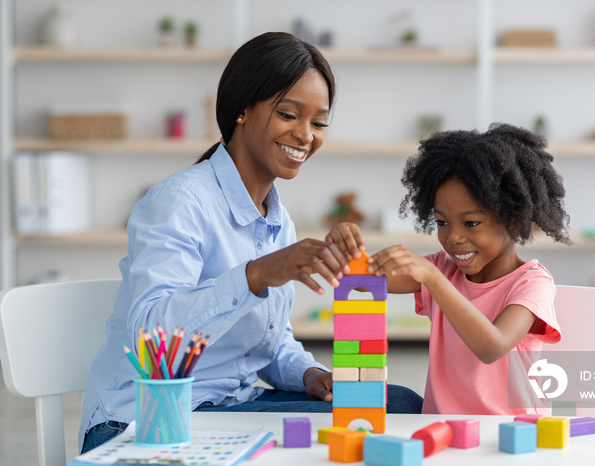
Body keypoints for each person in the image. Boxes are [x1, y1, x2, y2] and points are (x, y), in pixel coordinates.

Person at [80, 32, 422, 453]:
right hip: (147, 419)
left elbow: (268, 343)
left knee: (397, 402)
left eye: (318, 123)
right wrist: (257, 274)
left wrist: (310, 374)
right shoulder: (180, 201)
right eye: (288, 114)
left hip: (230, 405)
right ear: (242, 109)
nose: (305, 135)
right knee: (393, 417)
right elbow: (151, 334)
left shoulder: (279, 222)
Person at [327, 123, 571, 415]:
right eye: (442, 222)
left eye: (471, 223)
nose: (453, 237)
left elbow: (492, 347)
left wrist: (432, 278)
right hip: (442, 433)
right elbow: (359, 278)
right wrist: (345, 245)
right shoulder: (442, 268)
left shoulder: (532, 284)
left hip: (510, 434)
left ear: (514, 219)